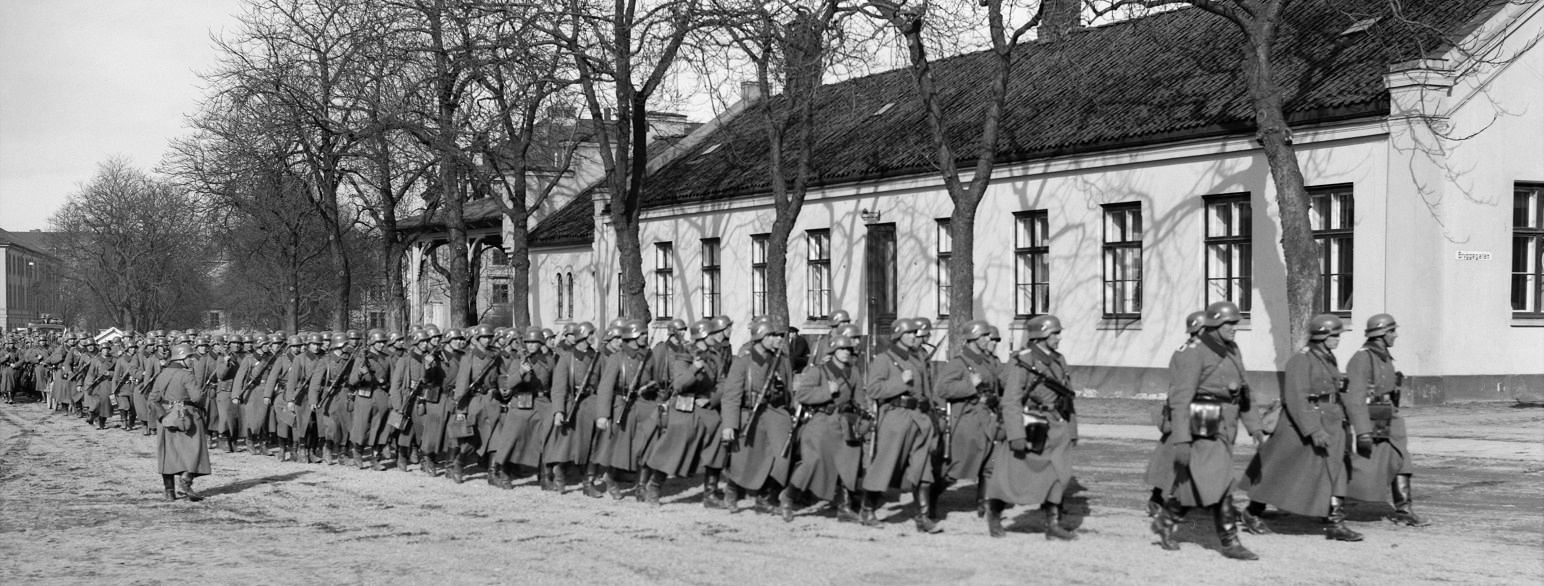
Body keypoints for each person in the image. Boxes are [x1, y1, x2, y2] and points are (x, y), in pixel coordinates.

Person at [1149, 302, 1263, 560]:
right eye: (1229, 324)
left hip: (1226, 424)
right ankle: (1230, 540)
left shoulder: (1231, 349)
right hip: (1202, 423)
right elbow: (1180, 399)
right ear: (1213, 325)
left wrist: (1254, 426)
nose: (1235, 328)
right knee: (1221, 480)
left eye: (1236, 323)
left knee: (1203, 481)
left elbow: (1243, 391)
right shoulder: (1193, 352)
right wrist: (1181, 441)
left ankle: (1167, 520)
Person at [1242, 314, 1365, 542]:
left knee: (1335, 470)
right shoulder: (1301, 360)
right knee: (1282, 470)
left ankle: (1335, 521)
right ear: (1322, 336)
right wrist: (1313, 430)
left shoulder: (1327, 358)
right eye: (1335, 335)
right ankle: (1252, 512)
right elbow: (1297, 398)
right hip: (1303, 426)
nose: (1338, 339)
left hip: (1331, 422)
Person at [984, 314, 1078, 540]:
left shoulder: (1058, 359)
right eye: (1055, 333)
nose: (1059, 337)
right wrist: (1016, 434)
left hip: (1057, 424)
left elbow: (1067, 396)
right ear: (1042, 335)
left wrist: (1072, 430)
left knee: (1059, 474)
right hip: (1032, 426)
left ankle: (1052, 524)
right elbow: (1011, 400)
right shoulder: (1023, 361)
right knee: (1011, 477)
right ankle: (994, 513)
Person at [1345, 313, 1430, 527]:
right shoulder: (1362, 357)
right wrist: (1363, 430)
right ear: (1382, 333)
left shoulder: (1383, 356)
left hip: (1388, 415)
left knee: (1401, 459)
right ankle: (1333, 501)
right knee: (1365, 464)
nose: (1396, 335)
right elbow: (1355, 398)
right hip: (1373, 416)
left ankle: (1404, 510)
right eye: (1392, 331)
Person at [862, 318, 943, 533]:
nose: (914, 336)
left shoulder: (919, 358)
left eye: (915, 333)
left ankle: (922, 517)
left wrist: (933, 415)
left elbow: (927, 391)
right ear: (898, 335)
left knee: (922, 466)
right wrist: (900, 383)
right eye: (909, 333)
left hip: (920, 416)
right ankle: (867, 508)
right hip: (896, 417)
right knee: (886, 463)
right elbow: (873, 390)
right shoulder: (884, 359)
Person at [644, 319, 730, 507]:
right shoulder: (684, 355)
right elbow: (679, 384)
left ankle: (710, 493)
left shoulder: (715, 356)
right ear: (702, 336)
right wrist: (694, 368)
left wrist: (711, 399)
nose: (716, 337)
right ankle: (654, 486)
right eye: (712, 334)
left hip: (705, 407)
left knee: (718, 439)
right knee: (675, 445)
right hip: (685, 407)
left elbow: (723, 382)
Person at [782, 334, 866, 523]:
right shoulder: (819, 371)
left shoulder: (853, 373)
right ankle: (788, 497)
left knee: (849, 459)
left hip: (844, 423)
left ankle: (844, 507)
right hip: (821, 422)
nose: (845, 353)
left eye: (848, 350)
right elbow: (802, 395)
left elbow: (860, 398)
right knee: (813, 462)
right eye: (841, 349)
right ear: (833, 351)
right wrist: (827, 391)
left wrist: (863, 418)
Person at [932, 320, 1004, 519]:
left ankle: (986, 507)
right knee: (957, 467)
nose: (989, 339)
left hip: (988, 418)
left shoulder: (988, 362)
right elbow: (941, 389)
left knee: (991, 464)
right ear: (973, 338)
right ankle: (929, 496)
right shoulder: (958, 362)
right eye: (984, 336)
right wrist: (969, 385)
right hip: (968, 419)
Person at [1143, 311, 1207, 516]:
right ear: (1201, 330)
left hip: (1202, 409)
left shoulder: (1201, 350)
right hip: (1185, 409)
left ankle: (1190, 499)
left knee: (1204, 454)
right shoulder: (1189, 352)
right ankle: (1158, 497)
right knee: (1173, 455)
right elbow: (1181, 385)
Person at [485, 326, 556, 489]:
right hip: (521, 401)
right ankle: (500, 471)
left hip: (542, 401)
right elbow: (507, 384)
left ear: (541, 343)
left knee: (548, 436)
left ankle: (545, 475)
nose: (531, 345)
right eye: (528, 342)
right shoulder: (518, 360)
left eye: (534, 342)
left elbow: (555, 383)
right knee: (511, 437)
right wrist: (522, 373)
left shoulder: (550, 361)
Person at [594, 319, 657, 500]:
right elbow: (605, 387)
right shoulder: (617, 358)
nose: (646, 336)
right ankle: (611, 478)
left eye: (645, 333)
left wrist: (651, 387)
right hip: (622, 405)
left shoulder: (648, 356)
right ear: (633, 336)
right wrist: (603, 415)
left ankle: (641, 485)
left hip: (644, 404)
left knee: (646, 443)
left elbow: (655, 379)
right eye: (642, 334)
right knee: (620, 446)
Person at [149, 343, 212, 501]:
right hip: (187, 417)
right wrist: (203, 395)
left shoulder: (162, 374)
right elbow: (197, 397)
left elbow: (152, 399)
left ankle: (169, 492)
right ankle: (186, 478)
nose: (192, 360)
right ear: (182, 357)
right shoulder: (187, 375)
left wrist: (163, 416)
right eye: (190, 357)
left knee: (168, 455)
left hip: (166, 418)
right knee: (195, 451)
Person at [547, 322, 602, 495]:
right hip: (572, 405)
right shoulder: (566, 359)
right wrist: (558, 410)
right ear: (584, 336)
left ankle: (588, 482)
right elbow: (558, 387)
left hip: (592, 404)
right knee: (566, 444)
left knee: (594, 445)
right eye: (591, 334)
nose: (594, 337)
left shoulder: (598, 358)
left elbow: (604, 383)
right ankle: (560, 478)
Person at [349, 330, 395, 470]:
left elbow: (392, 379)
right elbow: (352, 380)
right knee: (362, 427)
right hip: (364, 395)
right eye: (378, 342)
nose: (381, 345)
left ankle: (376, 458)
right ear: (372, 343)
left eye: (383, 342)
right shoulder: (362, 358)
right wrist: (359, 373)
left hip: (381, 395)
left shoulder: (387, 359)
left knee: (380, 428)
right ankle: (358, 453)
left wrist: (392, 396)